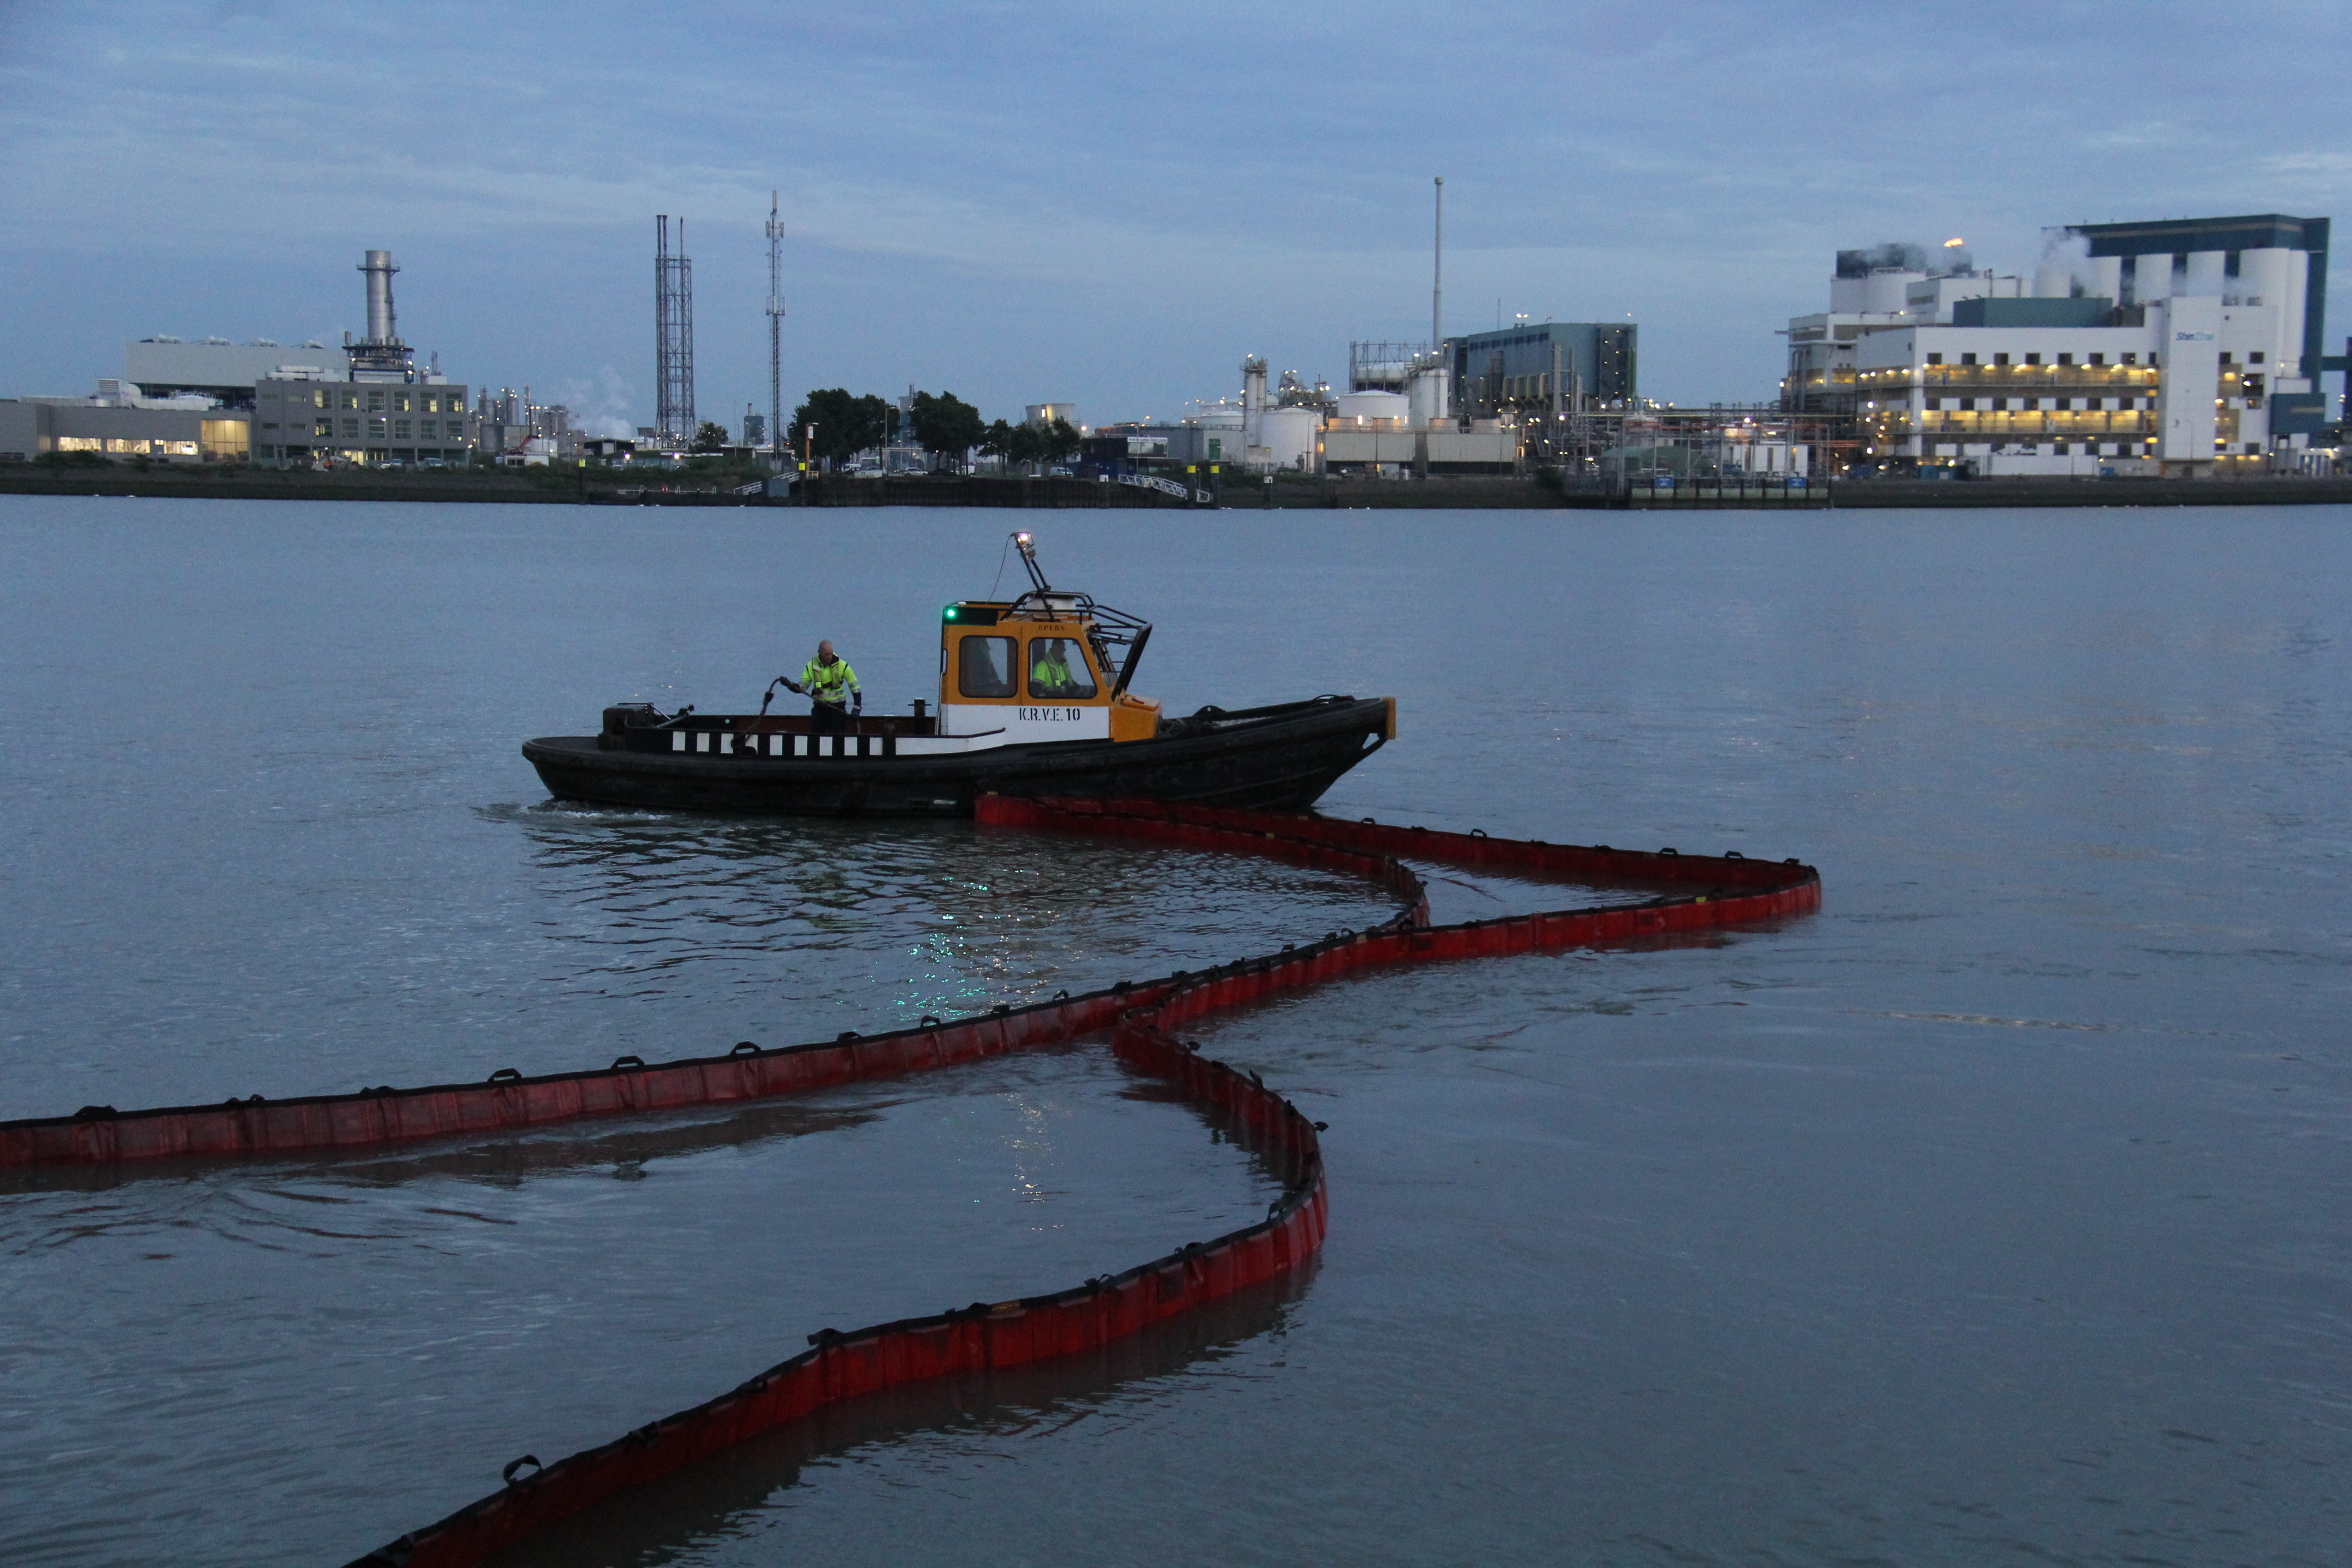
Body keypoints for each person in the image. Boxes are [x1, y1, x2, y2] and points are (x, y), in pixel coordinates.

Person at [785, 640, 861, 734]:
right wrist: (790, 685)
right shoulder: (811, 667)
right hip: (820, 710)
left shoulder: (842, 666)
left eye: (831, 654)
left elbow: (855, 687)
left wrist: (857, 707)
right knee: (816, 737)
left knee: (838, 738)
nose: (829, 657)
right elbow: (802, 687)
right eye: (826, 655)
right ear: (820, 653)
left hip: (838, 710)